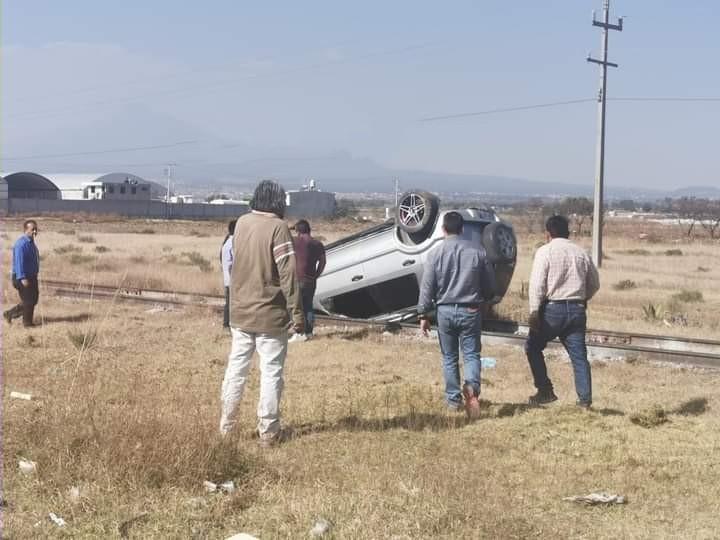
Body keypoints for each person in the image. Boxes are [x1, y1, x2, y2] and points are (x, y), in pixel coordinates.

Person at [219, 180, 304, 447]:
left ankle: (227, 426)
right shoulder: (278, 228)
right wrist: (297, 313)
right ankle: (268, 431)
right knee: (271, 373)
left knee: (236, 370)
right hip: (270, 315)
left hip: (240, 312)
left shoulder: (242, 223)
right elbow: (288, 273)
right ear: (278, 203)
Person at [417, 211, 496, 418]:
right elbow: (489, 285)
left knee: (449, 357)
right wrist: (486, 300)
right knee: (471, 354)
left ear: (443, 229)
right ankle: (472, 388)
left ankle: (453, 400)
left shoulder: (435, 254)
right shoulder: (478, 251)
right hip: (471, 309)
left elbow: (427, 287)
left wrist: (423, 314)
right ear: (462, 229)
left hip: (444, 311)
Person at [525, 215, 600, 409]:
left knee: (533, 347)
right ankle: (585, 401)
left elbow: (537, 285)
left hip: (552, 310)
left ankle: (545, 390)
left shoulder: (545, 251)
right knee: (579, 357)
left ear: (548, 233)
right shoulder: (581, 252)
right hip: (577, 310)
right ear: (568, 232)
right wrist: (582, 298)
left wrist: (534, 312)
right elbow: (594, 283)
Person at [288, 219, 326, 343]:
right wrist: (316, 275)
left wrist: (289, 228)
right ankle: (309, 332)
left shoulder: (294, 242)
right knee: (308, 306)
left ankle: (299, 332)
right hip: (310, 280)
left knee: (296, 306)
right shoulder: (317, 244)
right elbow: (322, 262)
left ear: (298, 231)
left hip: (297, 278)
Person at [4, 220, 41, 328]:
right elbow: (19, 262)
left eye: (35, 229)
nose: (34, 231)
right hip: (22, 277)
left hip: (31, 276)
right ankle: (27, 324)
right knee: (29, 300)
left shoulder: (30, 242)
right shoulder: (21, 244)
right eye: (32, 229)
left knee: (33, 299)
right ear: (25, 230)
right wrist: (22, 277)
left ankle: (9, 314)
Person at [220, 219, 237, 328]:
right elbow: (232, 263)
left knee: (229, 302)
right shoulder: (232, 243)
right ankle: (228, 324)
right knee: (232, 303)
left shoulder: (226, 242)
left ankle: (227, 324)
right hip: (233, 279)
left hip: (228, 279)